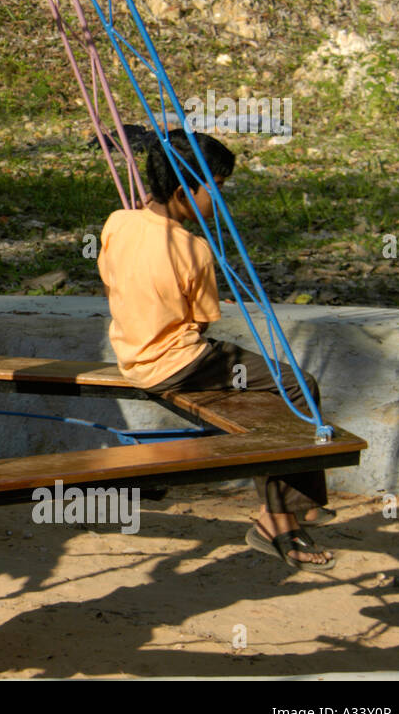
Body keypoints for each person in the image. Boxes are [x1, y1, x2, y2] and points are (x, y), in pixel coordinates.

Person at [97, 131, 336, 572]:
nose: (220, 200)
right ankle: (287, 513)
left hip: (132, 355)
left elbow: (119, 280)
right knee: (296, 387)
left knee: (264, 400)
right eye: (217, 188)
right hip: (180, 363)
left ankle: (290, 510)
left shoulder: (117, 222)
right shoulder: (193, 248)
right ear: (184, 192)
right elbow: (202, 321)